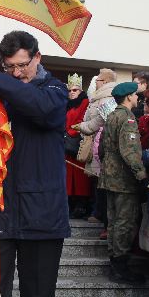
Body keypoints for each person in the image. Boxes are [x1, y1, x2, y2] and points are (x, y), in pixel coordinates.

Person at [0, 30, 69, 297]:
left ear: (38, 57)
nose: (18, 73)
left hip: (42, 212)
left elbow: (43, 109)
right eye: (9, 67)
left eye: (23, 65)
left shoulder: (55, 90)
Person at [99, 81, 147, 284]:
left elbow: (102, 148)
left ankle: (115, 263)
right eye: (136, 95)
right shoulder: (127, 117)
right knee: (124, 223)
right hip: (123, 180)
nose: (137, 99)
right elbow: (130, 150)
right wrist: (141, 174)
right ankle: (120, 267)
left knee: (113, 221)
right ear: (129, 97)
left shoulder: (111, 115)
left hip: (109, 177)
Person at [73, 68, 117, 225]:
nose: (95, 82)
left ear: (104, 82)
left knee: (99, 180)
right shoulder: (100, 97)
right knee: (95, 179)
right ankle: (96, 211)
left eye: (97, 80)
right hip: (94, 141)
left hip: (100, 142)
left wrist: (82, 126)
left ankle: (99, 213)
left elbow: (100, 121)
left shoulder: (107, 98)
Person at [65, 73, 90, 218]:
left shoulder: (85, 102)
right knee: (68, 178)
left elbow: (82, 121)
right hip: (67, 145)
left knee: (80, 179)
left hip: (78, 145)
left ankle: (81, 206)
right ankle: (70, 205)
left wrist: (69, 132)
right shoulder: (67, 105)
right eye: (69, 90)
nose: (71, 93)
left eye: (75, 90)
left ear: (80, 91)